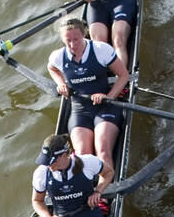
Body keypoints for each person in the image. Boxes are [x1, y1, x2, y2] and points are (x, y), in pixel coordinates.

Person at [47, 18, 128, 175]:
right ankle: (87, 191)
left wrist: (110, 96)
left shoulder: (100, 49)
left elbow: (123, 76)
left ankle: (104, 192)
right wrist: (60, 83)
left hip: (105, 106)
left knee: (102, 150)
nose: (72, 45)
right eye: (67, 41)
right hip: (79, 109)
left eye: (76, 39)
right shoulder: (57, 56)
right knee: (83, 154)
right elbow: (52, 69)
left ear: (84, 34)